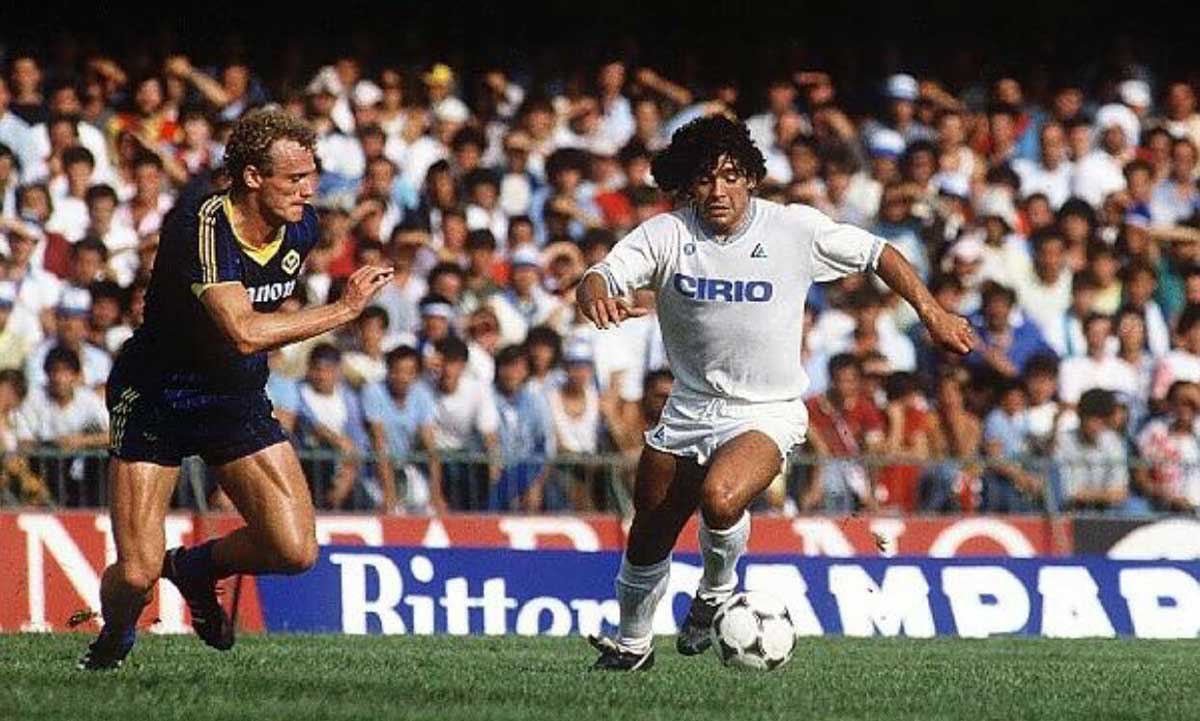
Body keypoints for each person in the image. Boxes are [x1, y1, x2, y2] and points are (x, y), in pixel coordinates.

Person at [575, 115, 972, 670]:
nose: (719, 190)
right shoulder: (667, 234)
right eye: (705, 179)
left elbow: (879, 251)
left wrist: (933, 313)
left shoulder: (792, 230)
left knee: (720, 497)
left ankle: (715, 591)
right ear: (688, 186)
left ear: (751, 179)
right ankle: (633, 645)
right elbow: (600, 275)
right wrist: (595, 295)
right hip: (689, 406)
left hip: (766, 410)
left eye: (730, 176)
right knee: (650, 530)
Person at [79, 109, 394, 670]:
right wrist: (344, 310)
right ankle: (116, 636)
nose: (308, 191)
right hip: (158, 395)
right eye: (294, 179)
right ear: (252, 176)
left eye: (311, 176)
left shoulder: (301, 228)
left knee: (295, 549)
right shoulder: (202, 225)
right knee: (137, 573)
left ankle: (194, 567)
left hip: (233, 394)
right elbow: (244, 331)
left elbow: (254, 331)